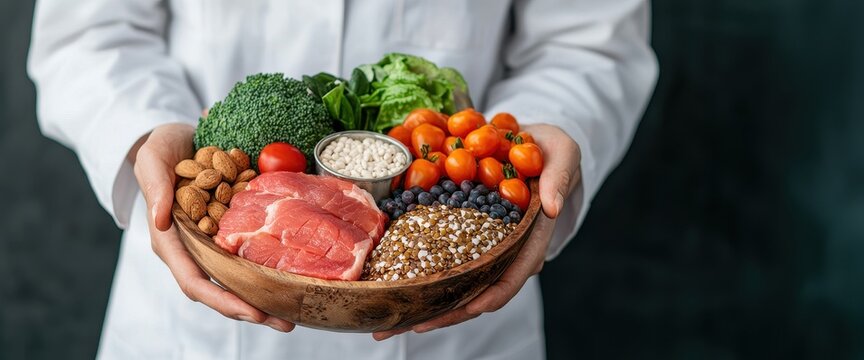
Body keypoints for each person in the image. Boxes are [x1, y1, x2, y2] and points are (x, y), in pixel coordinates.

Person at [28, 0, 657, 358]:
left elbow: (587, 44)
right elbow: (92, 32)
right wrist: (144, 136)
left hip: (456, 308)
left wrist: (544, 136)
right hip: (196, 311)